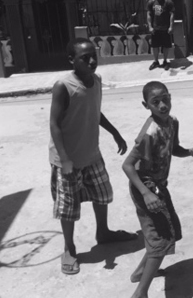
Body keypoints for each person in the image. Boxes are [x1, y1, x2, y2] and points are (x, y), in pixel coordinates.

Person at [49, 38, 137, 275]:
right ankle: (69, 248)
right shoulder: (63, 86)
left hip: (92, 153)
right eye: (84, 57)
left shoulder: (96, 81)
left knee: (102, 194)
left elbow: (94, 111)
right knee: (68, 207)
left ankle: (103, 232)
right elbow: (54, 124)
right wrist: (65, 159)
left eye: (93, 55)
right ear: (71, 60)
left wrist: (115, 132)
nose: (91, 60)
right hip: (67, 160)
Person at [122, 81, 193, 298]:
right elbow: (127, 165)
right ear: (145, 105)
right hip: (145, 186)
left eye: (165, 99)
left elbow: (173, 148)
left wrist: (189, 152)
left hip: (158, 186)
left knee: (169, 231)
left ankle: (142, 271)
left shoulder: (172, 123)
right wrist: (146, 193)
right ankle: (140, 293)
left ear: (171, 97)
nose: (162, 105)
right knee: (161, 238)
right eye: (155, 102)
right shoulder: (149, 132)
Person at [146, 0, 175, 71]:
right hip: (155, 28)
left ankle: (165, 61)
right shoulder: (151, 2)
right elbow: (149, 14)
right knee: (155, 46)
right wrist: (150, 26)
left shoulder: (168, 2)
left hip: (165, 28)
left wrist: (171, 26)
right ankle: (156, 61)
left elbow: (172, 14)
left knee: (166, 45)